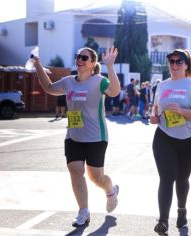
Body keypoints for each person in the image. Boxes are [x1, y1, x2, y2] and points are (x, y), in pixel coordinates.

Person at [33, 47, 120, 227]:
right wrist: (38, 64)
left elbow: (114, 91)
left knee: (96, 177)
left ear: (92, 63)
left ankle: (111, 191)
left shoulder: (99, 81)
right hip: (73, 136)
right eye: (77, 57)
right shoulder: (68, 82)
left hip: (96, 137)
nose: (79, 60)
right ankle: (83, 211)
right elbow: (49, 88)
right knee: (75, 172)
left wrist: (110, 66)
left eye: (84, 57)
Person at [150, 49, 191, 235]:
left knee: (182, 179)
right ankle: (163, 221)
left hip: (188, 140)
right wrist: (154, 117)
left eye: (178, 62)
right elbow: (156, 108)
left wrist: (182, 111)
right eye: (171, 61)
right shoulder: (162, 85)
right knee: (166, 178)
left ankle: (182, 210)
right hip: (164, 137)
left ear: (186, 65)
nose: (174, 65)